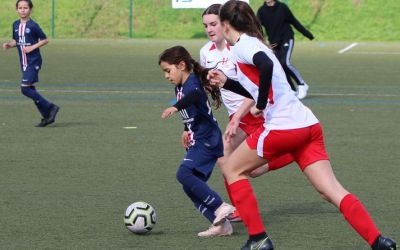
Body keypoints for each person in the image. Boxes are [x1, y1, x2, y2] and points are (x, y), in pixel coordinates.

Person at [206, 1, 397, 249]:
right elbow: (256, 83)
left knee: (232, 169)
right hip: (308, 126)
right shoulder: (254, 43)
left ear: (226, 24)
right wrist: (226, 82)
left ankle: (258, 239)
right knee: (331, 191)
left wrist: (261, 103)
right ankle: (379, 241)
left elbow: (263, 68)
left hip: (282, 129)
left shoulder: (242, 46)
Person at [199, 3, 295, 223]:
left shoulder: (241, 48)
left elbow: (254, 88)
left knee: (227, 157)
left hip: (254, 112)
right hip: (238, 116)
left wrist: (238, 117)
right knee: (247, 168)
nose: (210, 29)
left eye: (214, 24)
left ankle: (292, 152)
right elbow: (211, 88)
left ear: (226, 24)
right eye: (205, 26)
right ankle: (237, 208)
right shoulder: (205, 52)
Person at [159, 45, 234, 237]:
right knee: (189, 184)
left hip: (207, 138)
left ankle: (220, 206)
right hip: (198, 138)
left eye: (168, 70)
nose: (166, 76)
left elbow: (196, 96)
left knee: (183, 174)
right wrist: (186, 129)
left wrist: (175, 107)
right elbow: (193, 110)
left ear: (182, 65)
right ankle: (221, 226)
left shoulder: (192, 84)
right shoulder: (179, 87)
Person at [2, 0, 59, 127]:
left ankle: (51, 107)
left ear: (30, 9)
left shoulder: (33, 25)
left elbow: (45, 40)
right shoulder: (15, 24)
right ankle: (47, 117)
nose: (23, 10)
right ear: (16, 9)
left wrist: (32, 47)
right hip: (24, 62)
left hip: (34, 61)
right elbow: (16, 41)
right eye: (20, 8)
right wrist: (9, 45)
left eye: (25, 8)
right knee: (31, 89)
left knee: (25, 89)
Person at [257, 0, 314, 100]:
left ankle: (302, 84)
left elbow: (294, 21)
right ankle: (291, 90)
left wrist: (307, 34)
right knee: (280, 67)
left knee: (285, 63)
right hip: (274, 43)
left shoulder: (282, 7)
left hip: (286, 38)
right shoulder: (261, 11)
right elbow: (257, 27)